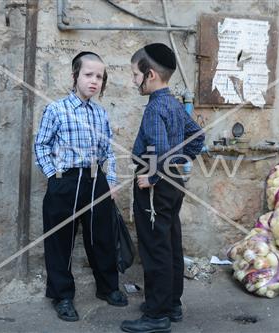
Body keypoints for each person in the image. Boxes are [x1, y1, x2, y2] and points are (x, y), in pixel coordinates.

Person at [34, 51, 128, 322]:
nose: (94, 81)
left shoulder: (100, 113)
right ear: (74, 76)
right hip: (65, 181)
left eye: (99, 76)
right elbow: (41, 145)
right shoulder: (56, 109)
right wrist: (53, 176)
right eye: (88, 75)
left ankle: (107, 287)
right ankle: (62, 296)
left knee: (101, 236)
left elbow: (107, 151)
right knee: (60, 240)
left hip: (94, 179)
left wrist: (110, 181)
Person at [121, 43, 205, 333]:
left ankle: (156, 315)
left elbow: (160, 147)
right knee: (169, 242)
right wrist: (178, 165)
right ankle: (171, 303)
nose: (134, 80)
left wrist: (153, 176)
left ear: (151, 75)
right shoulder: (174, 104)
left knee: (155, 248)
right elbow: (197, 137)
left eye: (135, 74)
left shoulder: (156, 107)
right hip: (174, 184)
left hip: (155, 186)